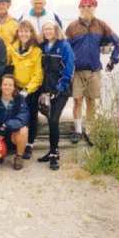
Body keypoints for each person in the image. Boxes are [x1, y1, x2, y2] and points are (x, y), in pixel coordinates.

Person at [65, 0, 119, 144]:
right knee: (77, 101)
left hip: (94, 71)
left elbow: (117, 42)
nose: (86, 8)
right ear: (79, 8)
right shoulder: (72, 27)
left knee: (91, 101)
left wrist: (113, 60)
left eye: (89, 6)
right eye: (83, 6)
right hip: (76, 71)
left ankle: (90, 131)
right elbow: (65, 49)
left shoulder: (101, 25)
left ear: (94, 8)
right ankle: (78, 131)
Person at [38, 20, 75, 170]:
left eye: (50, 29)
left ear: (56, 30)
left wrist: (60, 87)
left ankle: (54, 154)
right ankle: (53, 150)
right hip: (46, 90)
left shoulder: (64, 45)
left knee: (54, 119)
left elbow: (69, 68)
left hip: (61, 90)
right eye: (45, 29)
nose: (48, 31)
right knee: (49, 119)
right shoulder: (42, 46)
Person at [6, 20, 43, 160]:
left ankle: (29, 144)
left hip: (31, 89)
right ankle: (15, 142)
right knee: (15, 115)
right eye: (21, 31)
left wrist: (27, 90)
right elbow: (8, 65)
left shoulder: (36, 51)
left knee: (31, 117)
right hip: (16, 88)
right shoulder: (12, 49)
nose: (23, 34)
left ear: (31, 33)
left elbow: (38, 74)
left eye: (27, 31)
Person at [0, 74, 29, 171]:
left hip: (12, 135)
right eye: (5, 84)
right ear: (1, 86)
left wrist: (5, 126)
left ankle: (19, 157)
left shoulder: (20, 100)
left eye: (10, 85)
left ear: (14, 87)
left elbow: (23, 118)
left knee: (24, 130)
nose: (7, 87)